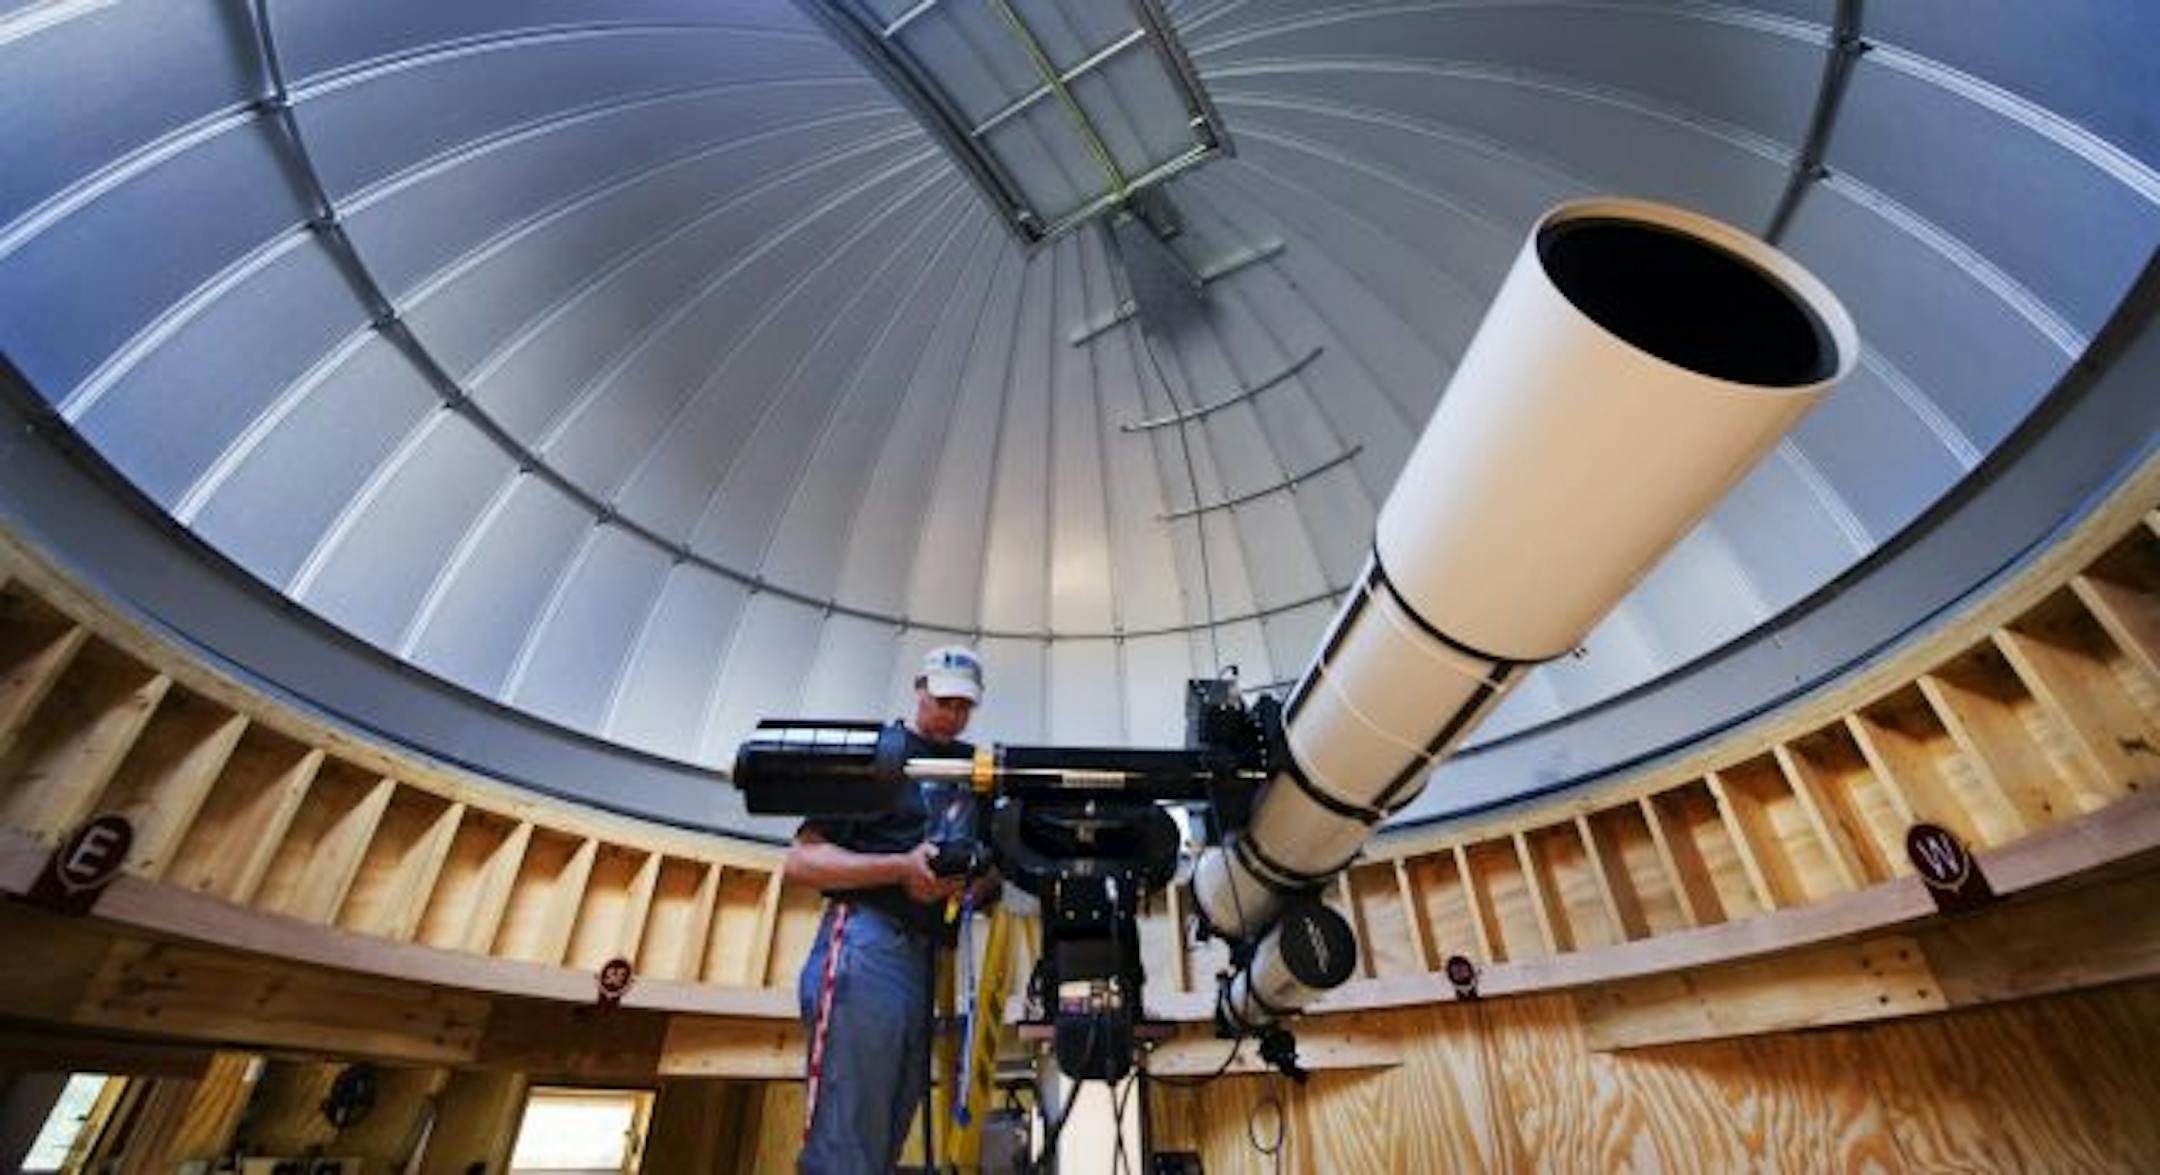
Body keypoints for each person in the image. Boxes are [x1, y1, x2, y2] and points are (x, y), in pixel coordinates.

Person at [787, 645, 1000, 1173]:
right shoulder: (877, 756)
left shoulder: (977, 771)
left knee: (890, 1126)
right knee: (848, 1134)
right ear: (920, 689)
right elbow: (802, 862)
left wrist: (969, 889)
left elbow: (993, 868)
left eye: (963, 707)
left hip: (927, 958)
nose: (952, 715)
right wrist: (901, 868)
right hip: (865, 942)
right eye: (944, 701)